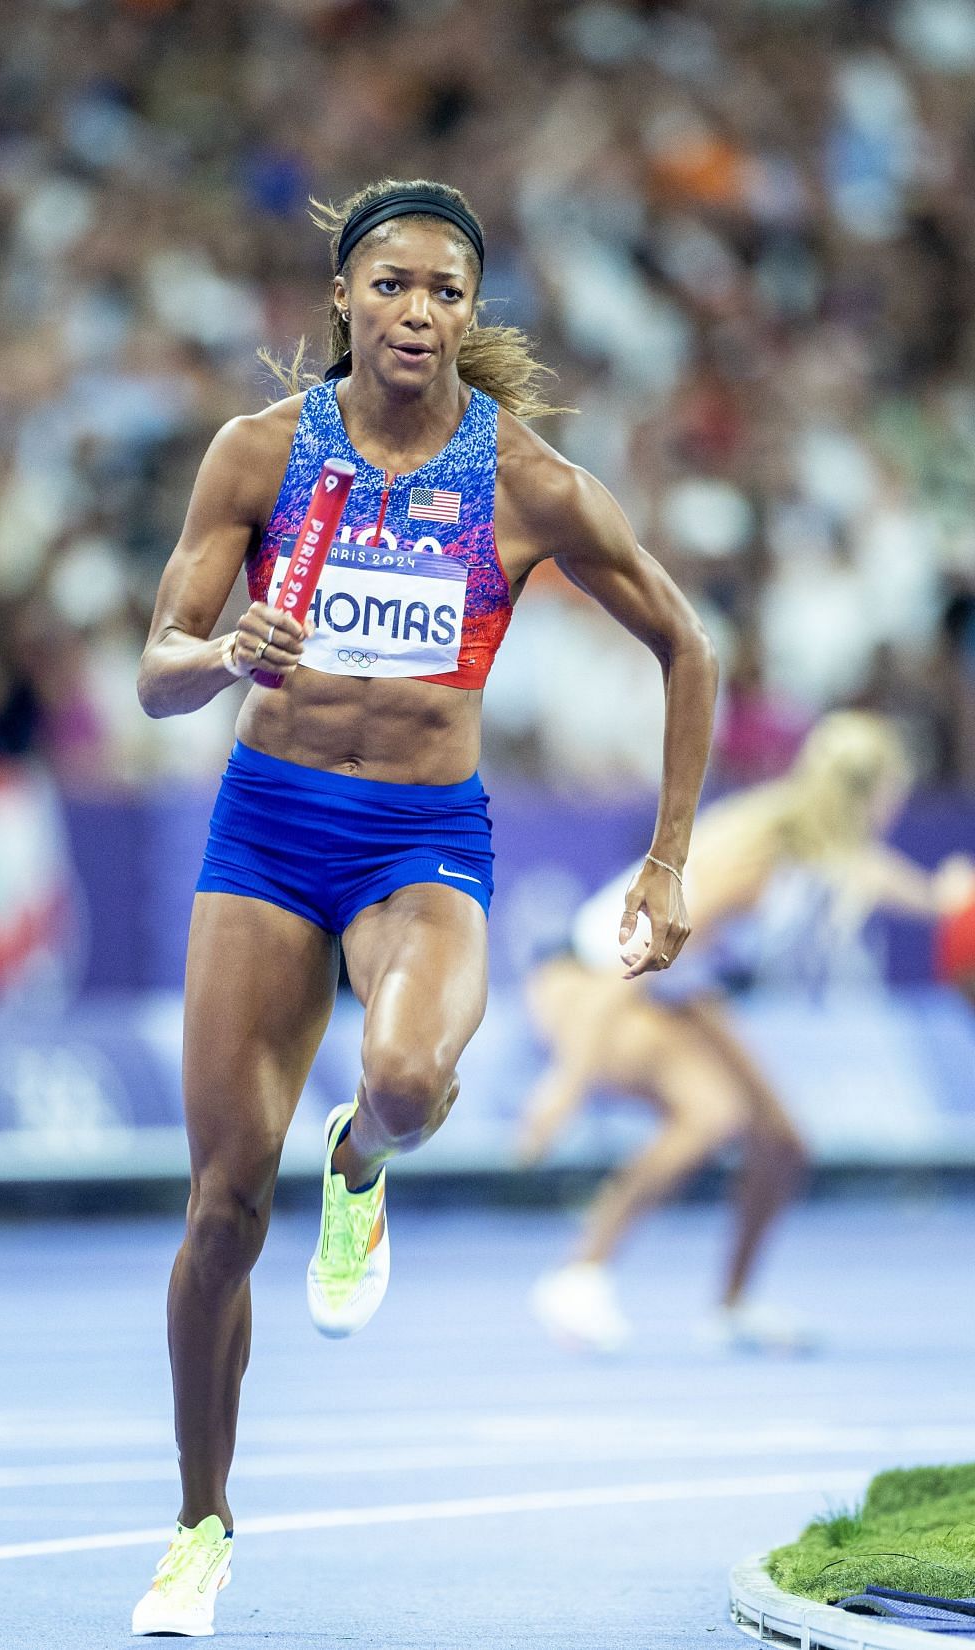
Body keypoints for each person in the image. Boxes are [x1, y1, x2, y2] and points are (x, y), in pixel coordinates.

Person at [126, 177, 719, 1637]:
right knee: (220, 1211)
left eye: (447, 291)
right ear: (341, 298)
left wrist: (667, 858)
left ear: (473, 312)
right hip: (267, 833)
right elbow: (156, 667)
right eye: (391, 284)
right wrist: (222, 654)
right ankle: (200, 1523)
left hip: (420, 844)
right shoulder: (258, 454)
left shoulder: (526, 482)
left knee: (405, 1075)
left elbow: (685, 646)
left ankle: (366, 1158)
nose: (418, 311)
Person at [520, 712, 975, 1355]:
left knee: (782, 1142)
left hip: (678, 991)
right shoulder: (753, 866)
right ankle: (578, 1276)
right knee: (708, 1114)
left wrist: (946, 898)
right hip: (589, 981)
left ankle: (731, 1308)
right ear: (873, 796)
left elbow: (882, 878)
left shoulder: (824, 845)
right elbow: (635, 968)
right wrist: (566, 1082)